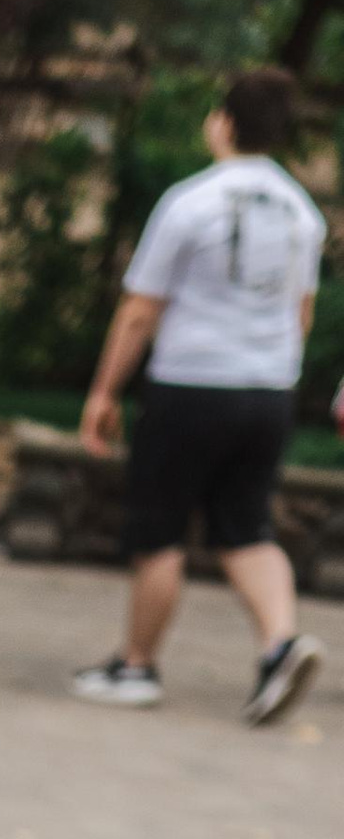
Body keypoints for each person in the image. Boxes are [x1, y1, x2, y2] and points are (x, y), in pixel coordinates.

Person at [72, 66, 327, 724]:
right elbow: (302, 313)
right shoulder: (303, 212)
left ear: (225, 122)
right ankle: (279, 645)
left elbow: (139, 311)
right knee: (246, 525)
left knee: (159, 528)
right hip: (269, 390)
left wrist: (105, 391)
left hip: (192, 384)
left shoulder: (191, 201)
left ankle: (136, 665)